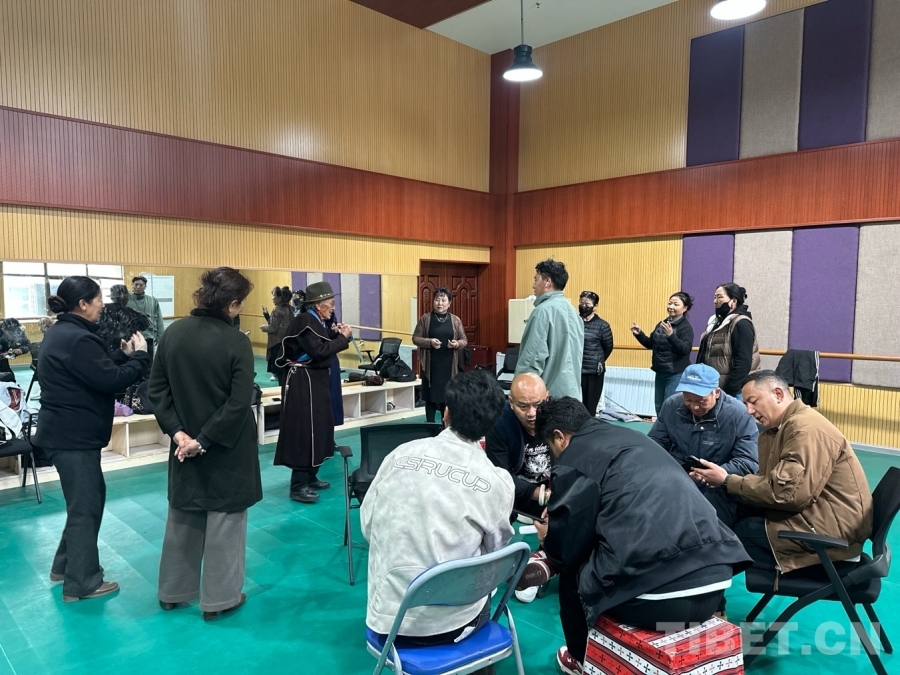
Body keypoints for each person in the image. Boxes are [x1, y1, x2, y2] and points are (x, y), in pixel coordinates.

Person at [533, 397, 751, 675]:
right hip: (715, 587)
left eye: (552, 448)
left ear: (559, 437)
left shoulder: (576, 457)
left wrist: (548, 538)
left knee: (574, 569)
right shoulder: (634, 437)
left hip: (660, 605)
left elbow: (568, 548)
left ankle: (579, 659)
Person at [361, 371, 515, 645]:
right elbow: (494, 556)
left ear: (446, 413)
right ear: (491, 425)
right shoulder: (497, 482)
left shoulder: (399, 454)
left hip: (387, 621)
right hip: (454, 626)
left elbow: (367, 526)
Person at [149, 267, 261, 621]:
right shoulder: (236, 342)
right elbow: (239, 402)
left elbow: (156, 391)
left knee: (183, 516)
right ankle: (220, 599)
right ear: (232, 304)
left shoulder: (173, 334)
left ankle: (172, 592)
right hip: (227, 448)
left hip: (182, 447)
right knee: (225, 522)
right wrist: (205, 439)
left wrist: (178, 434)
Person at [32, 277, 149, 602]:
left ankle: (64, 567)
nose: (102, 305)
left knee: (87, 501)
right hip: (72, 436)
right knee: (86, 507)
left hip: (65, 432)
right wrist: (140, 357)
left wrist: (123, 357)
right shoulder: (77, 338)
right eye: (97, 299)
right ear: (83, 304)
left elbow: (92, 372)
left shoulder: (63, 332)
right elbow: (111, 381)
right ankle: (82, 582)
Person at [691, 370, 872, 576]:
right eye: (746, 404)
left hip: (831, 534)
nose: (749, 411)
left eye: (753, 402)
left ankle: (703, 583)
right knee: (728, 501)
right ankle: (704, 580)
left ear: (778, 394)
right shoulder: (786, 426)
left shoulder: (805, 429)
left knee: (736, 533)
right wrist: (726, 482)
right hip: (820, 516)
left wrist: (727, 480)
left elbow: (787, 494)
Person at [648, 364, 758, 525]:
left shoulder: (739, 414)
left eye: (701, 401)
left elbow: (748, 461)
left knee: (706, 522)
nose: (694, 406)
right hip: (678, 477)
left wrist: (712, 475)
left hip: (719, 485)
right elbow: (654, 444)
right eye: (688, 399)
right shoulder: (671, 405)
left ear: (717, 392)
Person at [273, 281, 352, 503]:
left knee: (318, 426)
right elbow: (318, 351)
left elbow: (320, 341)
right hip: (302, 382)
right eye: (331, 303)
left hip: (313, 381)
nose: (333, 307)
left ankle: (310, 476)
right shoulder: (305, 321)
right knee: (304, 429)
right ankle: (298, 485)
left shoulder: (315, 321)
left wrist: (334, 334)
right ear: (318, 304)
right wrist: (342, 338)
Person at [485, 372, 551, 519]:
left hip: (553, 491)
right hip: (514, 497)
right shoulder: (498, 423)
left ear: (547, 398)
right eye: (523, 406)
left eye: (538, 405)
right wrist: (544, 495)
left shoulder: (559, 418)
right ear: (511, 402)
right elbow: (500, 475)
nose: (531, 413)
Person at [515, 259, 584, 399]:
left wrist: (519, 395)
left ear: (547, 282)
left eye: (536, 279)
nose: (533, 285)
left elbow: (531, 361)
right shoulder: (573, 312)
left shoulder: (542, 312)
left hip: (549, 398)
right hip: (573, 396)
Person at [631, 291, 695, 414]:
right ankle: (661, 427)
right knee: (659, 406)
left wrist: (671, 336)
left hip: (675, 374)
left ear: (685, 308)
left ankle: (671, 427)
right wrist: (639, 334)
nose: (671, 307)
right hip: (660, 371)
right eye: (670, 303)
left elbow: (685, 350)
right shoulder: (663, 323)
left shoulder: (685, 327)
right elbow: (650, 344)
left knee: (670, 407)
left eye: (676, 304)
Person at [412, 286, 468, 423]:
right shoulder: (425, 318)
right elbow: (415, 338)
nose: (440, 303)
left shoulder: (455, 320)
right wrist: (429, 342)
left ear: (449, 303)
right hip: (431, 364)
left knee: (446, 397)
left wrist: (457, 344)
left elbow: (464, 340)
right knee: (430, 397)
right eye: (437, 300)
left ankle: (445, 425)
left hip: (449, 365)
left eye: (443, 300)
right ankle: (430, 425)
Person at [696, 283, 760, 398]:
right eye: (714, 297)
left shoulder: (741, 323)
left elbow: (743, 362)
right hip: (713, 388)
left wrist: (730, 391)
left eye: (719, 297)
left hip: (733, 392)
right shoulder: (716, 323)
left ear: (733, 301)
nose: (715, 301)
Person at [578, 291, 613, 417]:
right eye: (581, 303)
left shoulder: (603, 325)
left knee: (590, 407)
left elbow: (608, 347)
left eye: (587, 304)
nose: (583, 306)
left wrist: (598, 361)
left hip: (593, 372)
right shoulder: (574, 321)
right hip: (576, 369)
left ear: (595, 306)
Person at [96, 284, 149, 356]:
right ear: (125, 297)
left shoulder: (100, 310)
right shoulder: (132, 313)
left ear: (112, 297)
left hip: (103, 351)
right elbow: (145, 325)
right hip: (126, 352)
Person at [126, 275, 166, 359]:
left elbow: (159, 319)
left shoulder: (152, 300)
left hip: (149, 337)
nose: (138, 287)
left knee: (149, 361)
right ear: (132, 285)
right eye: (136, 284)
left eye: (141, 285)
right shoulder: (126, 300)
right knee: (133, 360)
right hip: (132, 337)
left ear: (145, 286)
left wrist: (160, 336)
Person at [260, 286, 293, 383]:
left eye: (273, 296)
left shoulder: (277, 310)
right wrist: (266, 315)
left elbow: (273, 328)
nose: (272, 298)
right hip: (287, 342)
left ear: (279, 298)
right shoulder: (291, 309)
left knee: (279, 371)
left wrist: (263, 328)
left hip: (277, 343)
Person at [0, 317, 32, 381]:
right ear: (3, 329)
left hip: (3, 360)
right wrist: (2, 355)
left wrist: (21, 350)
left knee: (10, 378)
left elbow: (28, 345)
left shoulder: (18, 331)